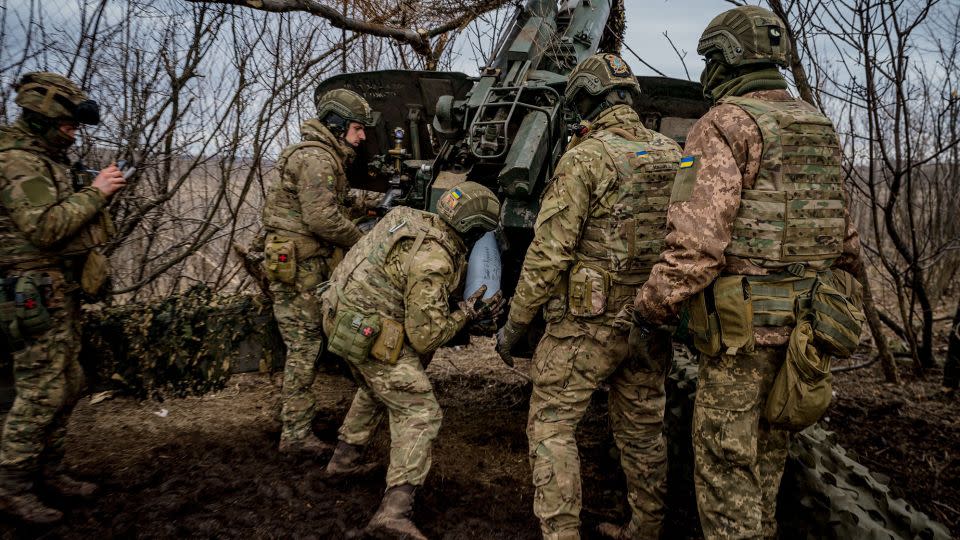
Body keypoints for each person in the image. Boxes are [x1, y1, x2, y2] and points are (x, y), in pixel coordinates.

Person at [632, 6, 862, 538]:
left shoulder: (724, 125)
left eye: (710, 59)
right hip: (805, 332)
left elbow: (695, 250)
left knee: (726, 468)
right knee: (767, 463)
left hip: (741, 340)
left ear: (728, 60)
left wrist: (650, 308)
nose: (706, 72)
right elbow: (845, 242)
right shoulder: (816, 123)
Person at [496, 53, 682, 540]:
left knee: (552, 427)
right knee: (643, 430)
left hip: (586, 327)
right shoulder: (673, 153)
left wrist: (516, 323)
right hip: (648, 321)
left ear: (585, 101)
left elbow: (549, 253)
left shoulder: (585, 158)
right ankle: (646, 528)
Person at [321, 182, 504, 540]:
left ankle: (343, 459)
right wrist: (466, 313)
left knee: (383, 383)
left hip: (337, 311)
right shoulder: (435, 258)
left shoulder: (408, 218)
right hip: (364, 329)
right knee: (419, 409)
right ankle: (393, 512)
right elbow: (426, 336)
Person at [0, 72, 125, 523]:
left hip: (56, 290)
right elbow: (45, 227)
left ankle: (48, 471)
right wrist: (95, 193)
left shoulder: (44, 158)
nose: (73, 132)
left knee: (68, 384)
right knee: (40, 391)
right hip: (30, 293)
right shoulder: (16, 161)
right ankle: (12, 485)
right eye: (68, 125)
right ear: (41, 119)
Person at [261, 88, 375, 455]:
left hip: (301, 262)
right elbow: (322, 218)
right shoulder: (317, 159)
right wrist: (361, 240)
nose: (362, 137)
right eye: (357, 129)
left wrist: (369, 204)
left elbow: (332, 200)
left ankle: (296, 425)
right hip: (301, 268)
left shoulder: (318, 157)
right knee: (304, 345)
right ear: (337, 125)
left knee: (310, 342)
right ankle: (295, 434)